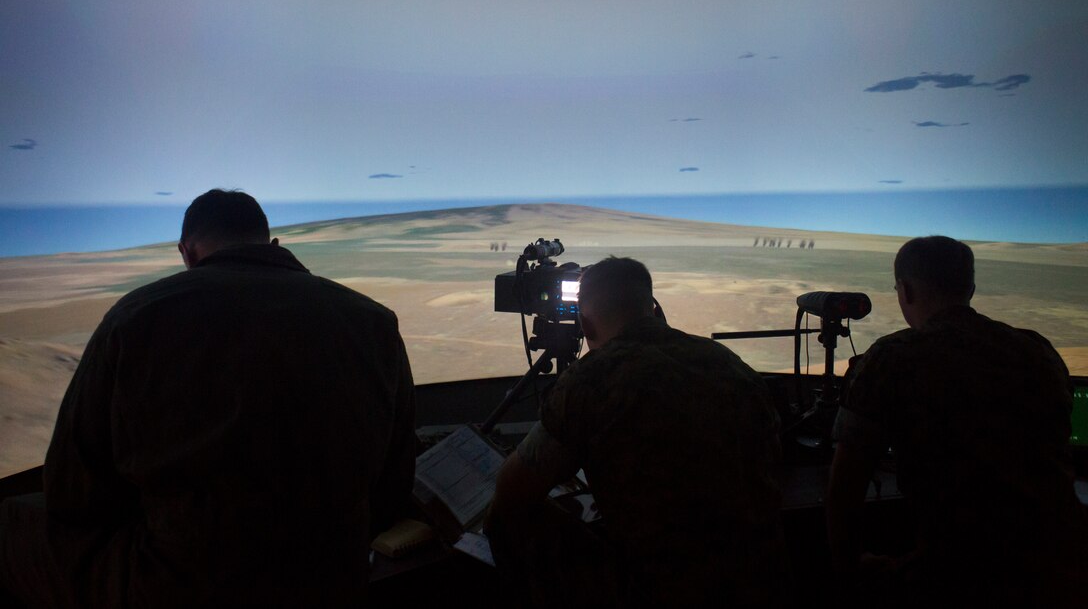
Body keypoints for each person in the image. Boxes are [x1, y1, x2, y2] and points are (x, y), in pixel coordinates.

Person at [0, 189, 416, 607]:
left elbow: (71, 490)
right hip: (330, 581)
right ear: (273, 244)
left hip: (176, 587)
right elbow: (394, 483)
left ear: (187, 252)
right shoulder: (374, 322)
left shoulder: (134, 319)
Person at [485, 257, 786, 607]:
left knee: (509, 518)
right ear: (654, 310)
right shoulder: (731, 365)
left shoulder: (593, 378)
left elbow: (511, 492)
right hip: (765, 584)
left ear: (585, 324)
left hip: (662, 592)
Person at [826, 235, 1086, 606]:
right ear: (971, 289)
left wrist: (850, 567)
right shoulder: (1037, 349)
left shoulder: (893, 357)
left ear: (906, 291)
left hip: (964, 577)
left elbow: (845, 486)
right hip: (1069, 568)